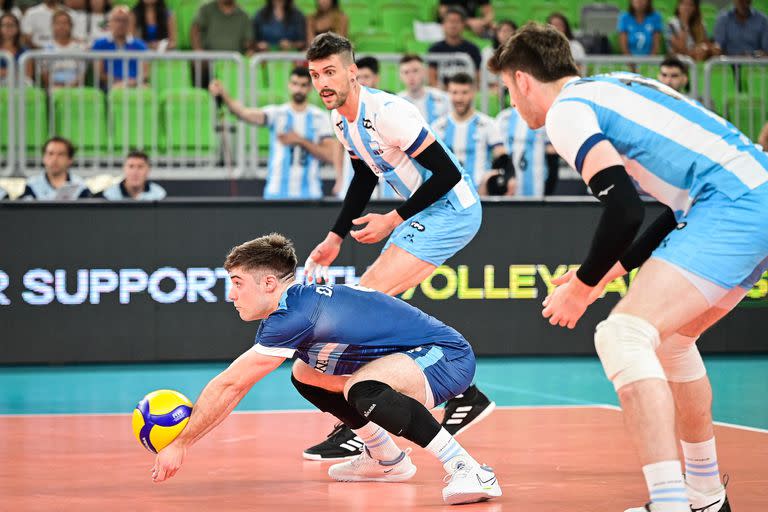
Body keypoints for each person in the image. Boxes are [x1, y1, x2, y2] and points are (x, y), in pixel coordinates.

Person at [490, 22, 768, 512]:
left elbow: (624, 210)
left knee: (621, 335)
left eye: (508, 90)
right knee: (674, 342)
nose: (511, 103)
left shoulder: (567, 112)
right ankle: (705, 495)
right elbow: (670, 210)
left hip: (731, 207)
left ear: (523, 80)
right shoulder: (621, 85)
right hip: (749, 198)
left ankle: (668, 503)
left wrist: (581, 285)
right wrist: (606, 276)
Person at [149, 234, 502, 505]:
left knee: (363, 389)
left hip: (446, 356)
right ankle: (384, 459)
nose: (232, 295)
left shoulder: (295, 316)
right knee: (306, 373)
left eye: (238, 283)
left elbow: (232, 386)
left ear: (269, 284)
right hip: (409, 356)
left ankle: (468, 469)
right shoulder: (294, 308)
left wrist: (182, 442)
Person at [302, 32, 494, 461]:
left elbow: (447, 176)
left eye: (330, 72)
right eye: (315, 74)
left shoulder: (388, 113)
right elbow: (365, 176)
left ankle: (358, 423)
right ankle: (465, 395)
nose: (322, 83)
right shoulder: (340, 119)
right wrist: (334, 237)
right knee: (379, 308)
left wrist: (393, 219)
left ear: (353, 72)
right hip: (427, 214)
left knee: (364, 302)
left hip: (452, 209)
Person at [210, 66, 336, 199]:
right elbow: (244, 113)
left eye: (303, 85)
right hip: (276, 193)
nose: (298, 89)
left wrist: (300, 140)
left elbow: (330, 156)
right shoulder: (277, 113)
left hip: (310, 193)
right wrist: (224, 95)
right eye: (295, 84)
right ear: (289, 85)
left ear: (310, 88)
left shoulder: (320, 117)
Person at [431, 72, 514, 196]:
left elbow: (502, 158)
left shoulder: (487, 124)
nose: (459, 98)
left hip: (478, 197)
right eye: (454, 92)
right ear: (448, 93)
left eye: (464, 92)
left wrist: (505, 178)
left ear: (473, 93)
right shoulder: (437, 127)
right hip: (446, 199)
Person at [334, 56, 398, 199]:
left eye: (366, 77)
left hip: (388, 184)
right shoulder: (344, 110)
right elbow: (339, 146)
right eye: (358, 77)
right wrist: (339, 177)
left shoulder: (387, 106)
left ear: (376, 78)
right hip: (355, 179)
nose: (362, 82)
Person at [496, 105, 558, 197]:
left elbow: (552, 158)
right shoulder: (503, 118)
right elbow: (498, 154)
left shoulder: (544, 117)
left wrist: (549, 191)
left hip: (537, 191)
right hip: (507, 193)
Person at [92, 6, 150, 88]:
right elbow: (100, 74)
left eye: (125, 21)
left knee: (146, 89)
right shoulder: (99, 44)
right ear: (110, 23)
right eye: (117, 20)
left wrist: (130, 83)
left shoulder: (140, 45)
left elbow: (145, 73)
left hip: (135, 85)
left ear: (130, 23)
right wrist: (120, 83)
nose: (121, 24)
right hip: (110, 85)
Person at [19, 136, 91, 199]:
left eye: (61, 154)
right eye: (50, 154)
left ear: (70, 159)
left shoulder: (80, 186)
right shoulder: (32, 185)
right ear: (44, 158)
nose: (54, 159)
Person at [427, 7, 481, 87]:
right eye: (450, 21)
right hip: (441, 95)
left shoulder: (473, 49)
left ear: (463, 25)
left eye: (457, 21)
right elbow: (432, 80)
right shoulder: (434, 49)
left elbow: (477, 80)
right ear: (443, 25)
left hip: (465, 94)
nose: (453, 25)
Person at [398, 54, 450, 125]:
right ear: (400, 77)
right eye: (406, 72)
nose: (411, 76)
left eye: (415, 71)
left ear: (424, 72)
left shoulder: (443, 98)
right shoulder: (396, 102)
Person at [97, 150, 167, 200]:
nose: (135, 172)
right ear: (124, 169)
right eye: (131, 166)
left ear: (148, 170)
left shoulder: (158, 194)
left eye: (140, 167)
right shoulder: (110, 194)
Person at [43, 9, 86, 89]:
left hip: (75, 87)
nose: (61, 26)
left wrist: (71, 86)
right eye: (58, 23)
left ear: (71, 26)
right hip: (54, 87)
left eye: (65, 23)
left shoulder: (79, 47)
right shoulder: (46, 47)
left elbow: (82, 73)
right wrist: (54, 86)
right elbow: (45, 73)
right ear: (52, 26)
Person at [0, 12, 31, 84]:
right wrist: (15, 72)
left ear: (17, 28)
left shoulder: (25, 51)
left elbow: (28, 75)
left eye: (11, 25)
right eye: (4, 25)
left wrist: (5, 72)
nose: (8, 28)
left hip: (18, 90)